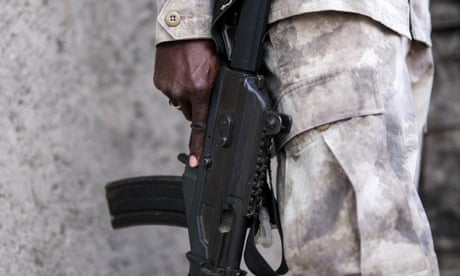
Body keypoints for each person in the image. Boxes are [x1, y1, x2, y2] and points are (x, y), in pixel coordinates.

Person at [153, 0, 440, 274]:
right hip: (329, 24)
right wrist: (183, 20)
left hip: (394, 23)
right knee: (361, 257)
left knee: (374, 253)